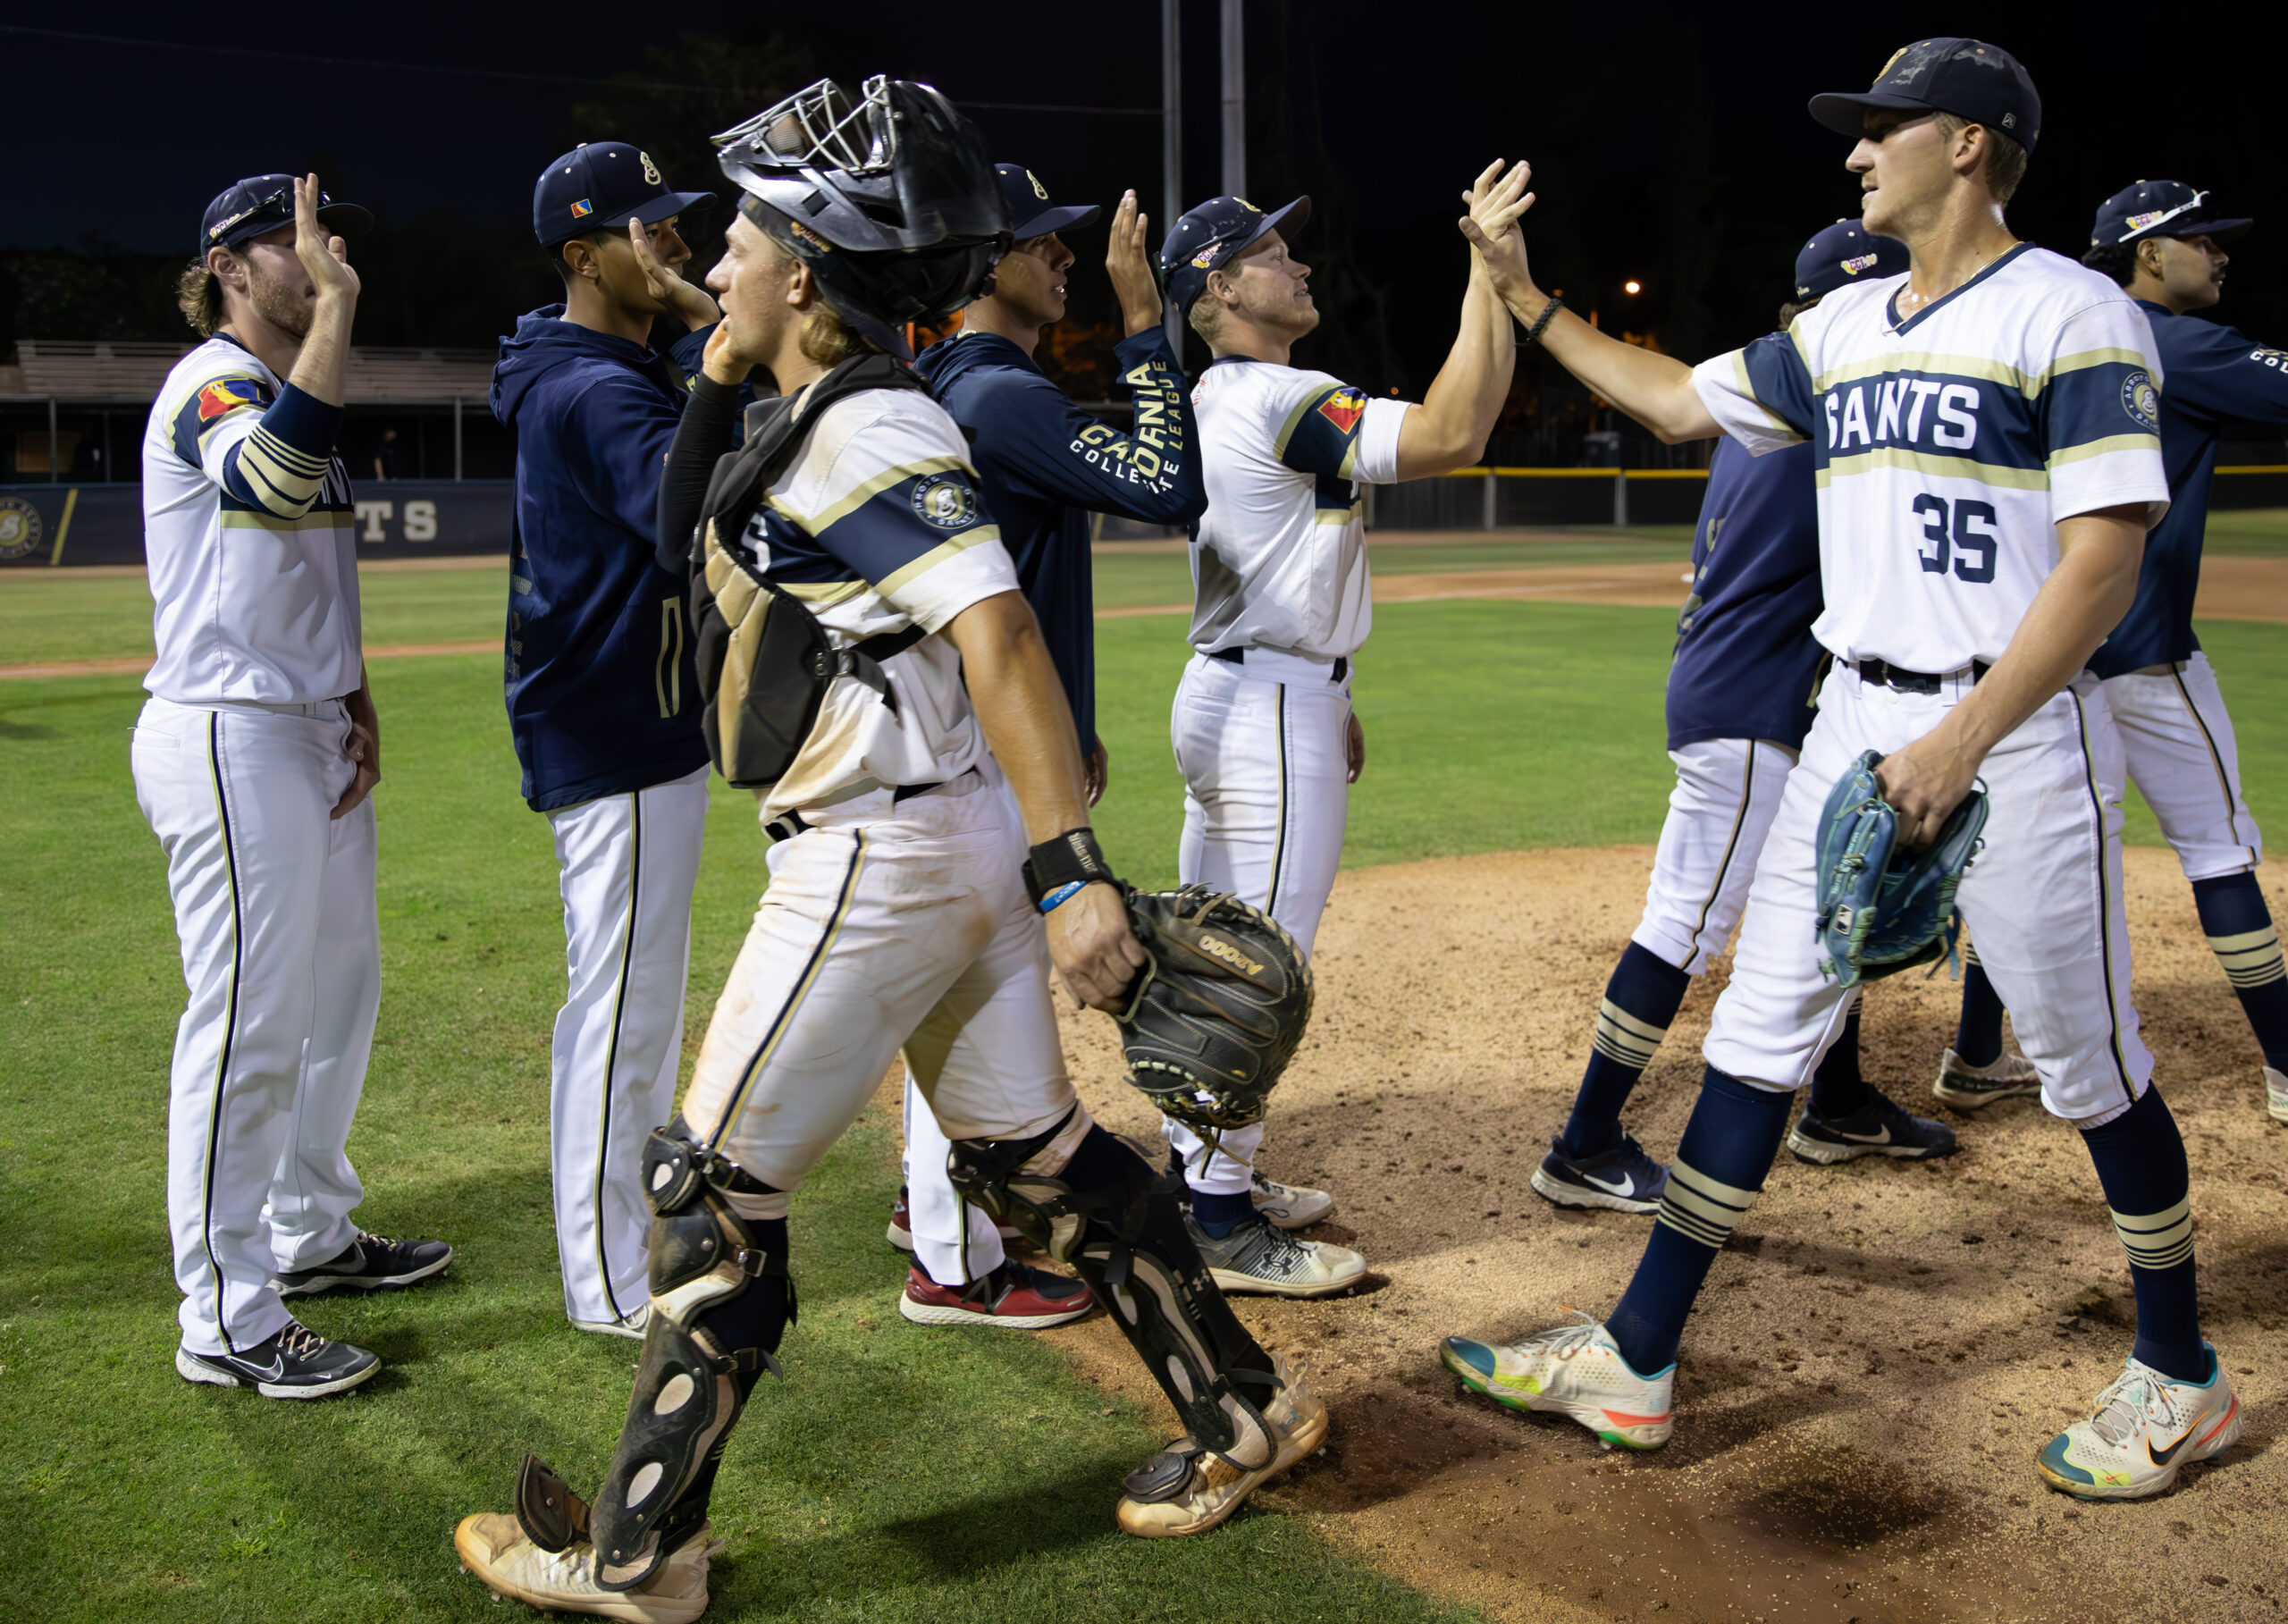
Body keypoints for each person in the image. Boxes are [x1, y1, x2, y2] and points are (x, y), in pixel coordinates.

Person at [455, 79, 1327, 1621]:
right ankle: (1245, 1410)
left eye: (742, 238)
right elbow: (679, 528)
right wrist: (727, 370)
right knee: (1038, 1162)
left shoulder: (876, 422)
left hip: (883, 858)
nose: (712, 259)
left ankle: (644, 1560)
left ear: (806, 269)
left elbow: (998, 632)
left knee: (711, 1193)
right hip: (930, 842)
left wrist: (1072, 874)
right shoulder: (816, 405)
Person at [1441, 39, 2243, 1502]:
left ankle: (2183, 1369)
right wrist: (1526, 292)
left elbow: (2104, 562)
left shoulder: (2074, 315)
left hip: (2017, 743)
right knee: (1757, 1031)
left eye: (1890, 129)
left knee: (2091, 1060)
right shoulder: (1848, 323)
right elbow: (1678, 401)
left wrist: (1965, 735)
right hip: (1848, 725)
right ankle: (1638, 1353)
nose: (1859, 153)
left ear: (1976, 148)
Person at [1152, 165, 1527, 1296]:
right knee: (1258, 967)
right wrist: (1485, 271)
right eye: (1272, 253)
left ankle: (1197, 1178)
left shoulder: (1221, 400)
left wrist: (1335, 683)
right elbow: (1458, 433)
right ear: (1216, 288)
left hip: (1238, 689)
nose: (1299, 263)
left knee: (1211, 958)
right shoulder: (1274, 394)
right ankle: (1220, 1219)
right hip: (1266, 708)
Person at [1535, 218, 1958, 1216]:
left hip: (1739, 689)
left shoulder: (1759, 417)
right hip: (1752, 707)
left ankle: (1840, 1102)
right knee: (1685, 923)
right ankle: (1583, 1142)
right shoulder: (1822, 424)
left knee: (1831, 900)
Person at [883, 163, 1213, 1328]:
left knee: (961, 982)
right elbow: (1173, 485)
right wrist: (1141, 319)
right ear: (984, 262)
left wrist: (1067, 725)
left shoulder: (951, 384)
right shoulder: (1000, 396)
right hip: (981, 755)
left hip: (970, 737)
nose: (1067, 256)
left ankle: (936, 1213)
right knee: (972, 986)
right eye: (1045, 244)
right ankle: (953, 1260)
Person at [141, 175, 450, 1401]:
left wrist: (355, 689)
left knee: (338, 998)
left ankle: (307, 1231)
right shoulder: (214, 379)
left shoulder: (281, 386)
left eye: (326, 237)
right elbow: (265, 486)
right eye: (291, 238)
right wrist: (338, 311)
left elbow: (301, 565)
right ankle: (221, 1313)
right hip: (231, 733)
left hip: (308, 727)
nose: (318, 255)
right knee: (248, 1023)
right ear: (227, 263)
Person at [1939, 180, 2288, 1124]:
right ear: (2146, 253)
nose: (2218, 253)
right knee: (2217, 853)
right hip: (2139, 651)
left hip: (2034, 658)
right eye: (2199, 239)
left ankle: (1974, 1052)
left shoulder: (2050, 332)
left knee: (2016, 854)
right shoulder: (2172, 341)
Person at [492, 141, 722, 1339]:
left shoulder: (604, 368)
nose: (671, 241)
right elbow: (692, 504)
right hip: (612, 727)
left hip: (633, 726)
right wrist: (712, 330)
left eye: (673, 223)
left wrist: (693, 333)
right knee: (622, 1012)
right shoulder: (592, 388)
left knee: (640, 1002)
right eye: (646, 230)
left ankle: (622, 1247)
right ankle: (608, 1282)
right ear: (583, 256)